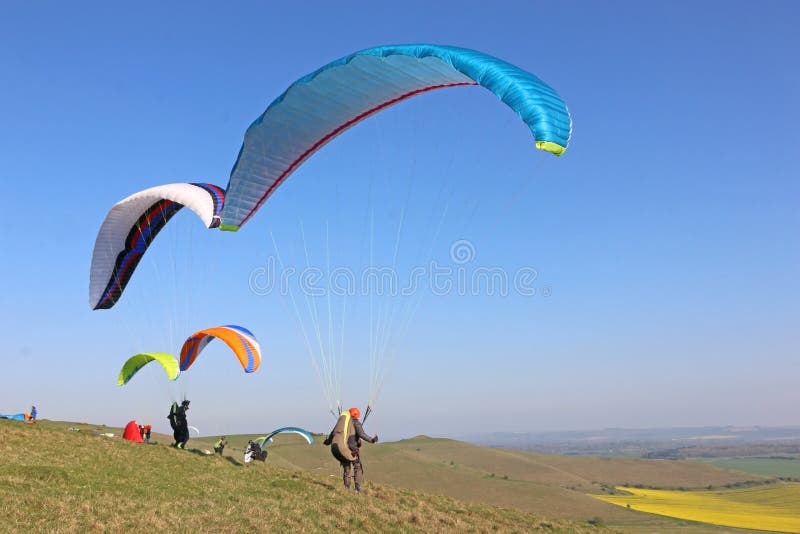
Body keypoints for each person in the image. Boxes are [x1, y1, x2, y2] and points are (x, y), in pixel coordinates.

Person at [324, 407, 378, 494]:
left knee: (347, 469)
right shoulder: (356, 422)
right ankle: (357, 489)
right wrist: (372, 440)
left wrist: (327, 442)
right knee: (358, 467)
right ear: (356, 415)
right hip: (352, 450)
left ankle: (347, 489)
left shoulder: (341, 423)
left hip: (341, 448)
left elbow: (332, 435)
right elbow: (361, 434)